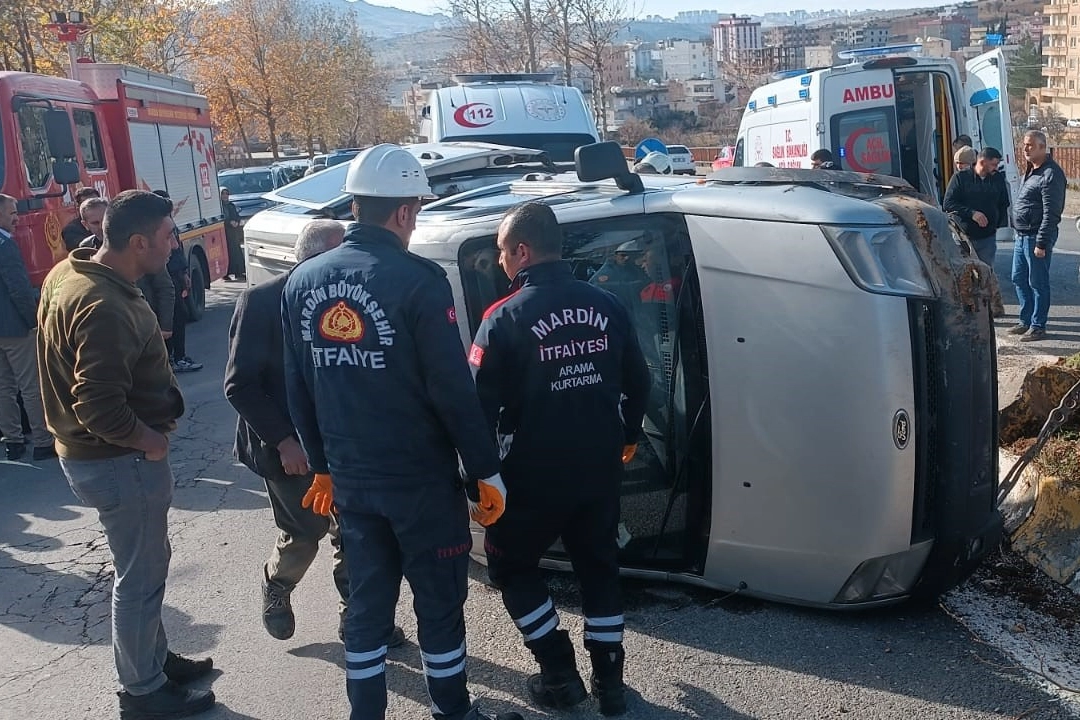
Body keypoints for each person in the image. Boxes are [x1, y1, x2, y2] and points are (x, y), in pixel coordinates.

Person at [281, 145, 518, 720]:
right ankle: (452, 711)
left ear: (357, 204)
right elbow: (451, 390)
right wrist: (486, 469)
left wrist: (322, 466)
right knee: (439, 604)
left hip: (353, 487)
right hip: (419, 483)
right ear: (406, 213)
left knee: (367, 607)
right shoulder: (419, 282)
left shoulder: (302, 282)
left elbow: (299, 387)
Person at [36, 190, 215, 719]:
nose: (174, 243)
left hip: (99, 459)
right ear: (138, 242)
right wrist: (152, 441)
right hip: (117, 461)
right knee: (139, 577)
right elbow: (97, 406)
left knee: (145, 565)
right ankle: (143, 691)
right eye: (167, 236)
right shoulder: (103, 304)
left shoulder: (74, 272)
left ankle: (153, 661)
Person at [469, 202, 651, 716]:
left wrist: (477, 476)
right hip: (598, 467)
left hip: (533, 474)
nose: (502, 263)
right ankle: (610, 682)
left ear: (522, 251)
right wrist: (629, 435)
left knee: (510, 565)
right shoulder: (607, 304)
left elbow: (476, 406)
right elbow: (639, 380)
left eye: (504, 252)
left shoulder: (501, 317)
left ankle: (557, 670)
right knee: (598, 566)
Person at [226, 219, 405, 646]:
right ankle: (277, 585)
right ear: (317, 256)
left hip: (342, 445)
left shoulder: (343, 301)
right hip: (285, 448)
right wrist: (285, 440)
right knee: (306, 533)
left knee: (354, 532)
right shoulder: (261, 301)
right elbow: (239, 385)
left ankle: (356, 619)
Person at [0, 193, 55, 461]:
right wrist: (34, 320)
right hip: (14, 326)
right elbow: (19, 290)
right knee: (30, 385)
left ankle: (13, 441)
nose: (16, 217)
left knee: (3, 387)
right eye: (11, 212)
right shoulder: (5, 246)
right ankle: (43, 441)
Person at [1010, 130, 1066, 342]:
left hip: (1036, 237)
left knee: (1038, 282)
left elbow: (1052, 213)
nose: (1025, 148)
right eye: (1024, 144)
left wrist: (1041, 242)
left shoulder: (1051, 174)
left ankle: (1038, 325)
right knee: (1018, 277)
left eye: (1030, 145)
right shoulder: (1032, 170)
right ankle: (1025, 320)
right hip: (1022, 235)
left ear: (1043, 147)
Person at [942, 146, 1010, 317]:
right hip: (963, 236)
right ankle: (967, 309)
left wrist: (996, 223)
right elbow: (948, 203)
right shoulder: (960, 178)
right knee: (964, 274)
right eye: (993, 164)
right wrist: (971, 213)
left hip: (987, 236)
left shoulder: (997, 179)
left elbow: (1004, 203)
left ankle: (990, 309)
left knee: (986, 273)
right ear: (982, 161)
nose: (996, 168)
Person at [151, 190, 202, 373]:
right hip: (166, 278)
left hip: (175, 276)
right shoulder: (154, 228)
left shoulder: (168, 225)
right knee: (171, 318)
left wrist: (185, 274)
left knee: (180, 316)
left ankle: (179, 356)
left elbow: (178, 251)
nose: (171, 243)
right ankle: (173, 358)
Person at [589, 239, 649, 314]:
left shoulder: (638, 271)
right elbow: (594, 291)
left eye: (630, 255)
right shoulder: (606, 273)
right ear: (615, 256)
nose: (626, 258)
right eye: (623, 255)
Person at [221, 188, 245, 282]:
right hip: (225, 233)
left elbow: (236, 216)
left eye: (227, 194)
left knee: (236, 252)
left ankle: (239, 272)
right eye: (223, 194)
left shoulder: (231, 205)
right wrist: (229, 222)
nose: (225, 196)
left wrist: (237, 222)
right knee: (228, 252)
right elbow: (222, 218)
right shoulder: (220, 206)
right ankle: (226, 273)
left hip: (233, 232)